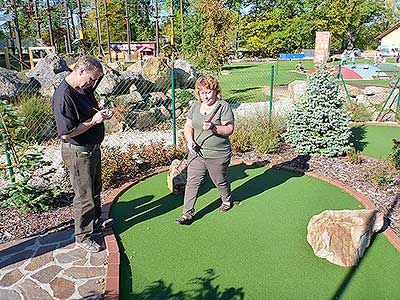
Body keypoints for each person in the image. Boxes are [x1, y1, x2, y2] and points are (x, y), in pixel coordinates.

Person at [52, 55, 114, 252]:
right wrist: (94, 121)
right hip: (78, 152)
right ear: (80, 71)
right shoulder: (64, 96)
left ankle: (95, 223)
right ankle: (83, 235)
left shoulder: (83, 88)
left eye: (95, 79)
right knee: (84, 194)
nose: (93, 83)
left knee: (95, 188)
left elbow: (90, 112)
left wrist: (101, 114)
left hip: (92, 148)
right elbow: (66, 133)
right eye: (92, 78)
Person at [176, 76, 235, 224]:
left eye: (208, 92)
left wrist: (214, 128)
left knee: (219, 180)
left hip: (217, 154)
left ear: (215, 91)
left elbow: (229, 129)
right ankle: (187, 213)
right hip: (197, 152)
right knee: (192, 182)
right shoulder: (195, 106)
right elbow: (188, 126)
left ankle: (226, 199)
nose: (205, 96)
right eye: (202, 93)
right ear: (198, 93)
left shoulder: (223, 106)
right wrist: (190, 141)